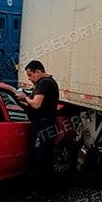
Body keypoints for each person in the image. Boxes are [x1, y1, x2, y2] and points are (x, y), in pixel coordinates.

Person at [16, 60, 60, 193]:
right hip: (47, 124)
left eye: (30, 75)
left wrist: (24, 98)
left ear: (38, 71)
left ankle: (40, 190)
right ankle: (45, 189)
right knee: (44, 156)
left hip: (43, 125)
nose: (29, 78)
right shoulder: (48, 82)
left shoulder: (44, 83)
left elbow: (36, 104)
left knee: (39, 157)